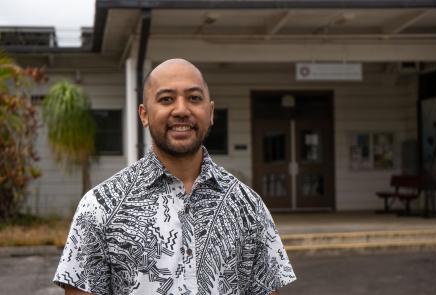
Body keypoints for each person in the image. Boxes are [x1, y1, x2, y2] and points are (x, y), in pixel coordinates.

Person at [53, 58, 296, 295]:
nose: (181, 110)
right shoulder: (100, 207)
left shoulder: (248, 206)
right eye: (166, 99)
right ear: (144, 114)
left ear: (210, 112)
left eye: (194, 98)